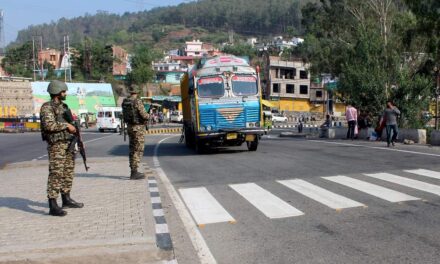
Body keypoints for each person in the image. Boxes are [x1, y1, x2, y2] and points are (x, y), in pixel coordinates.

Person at [40, 80, 84, 217]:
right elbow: (49, 125)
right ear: (57, 92)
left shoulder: (64, 107)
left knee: (68, 172)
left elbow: (71, 124)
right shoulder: (47, 107)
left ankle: (66, 198)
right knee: (56, 173)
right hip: (57, 145)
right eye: (63, 91)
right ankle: (53, 204)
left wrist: (78, 138)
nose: (65, 94)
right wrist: (66, 126)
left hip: (69, 144)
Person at [122, 85, 150, 180]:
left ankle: (133, 170)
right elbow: (144, 115)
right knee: (138, 149)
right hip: (138, 128)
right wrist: (148, 115)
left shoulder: (125, 101)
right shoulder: (137, 101)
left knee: (132, 149)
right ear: (137, 92)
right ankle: (134, 172)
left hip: (130, 127)